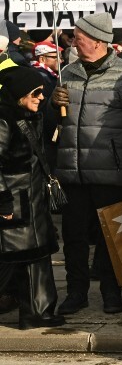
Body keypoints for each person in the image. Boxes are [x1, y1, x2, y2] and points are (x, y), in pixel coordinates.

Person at [49, 12, 122, 315]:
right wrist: (54, 105)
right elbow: (52, 124)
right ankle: (76, 292)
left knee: (109, 238)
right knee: (74, 236)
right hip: (72, 171)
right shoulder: (67, 73)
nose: (73, 41)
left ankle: (111, 292)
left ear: (99, 41)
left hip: (109, 172)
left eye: (79, 37)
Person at [0, 65, 64, 329]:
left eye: (42, 92)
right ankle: (35, 311)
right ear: (19, 94)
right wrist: (2, 200)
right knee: (12, 261)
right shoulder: (4, 119)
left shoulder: (28, 115)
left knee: (36, 259)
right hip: (14, 202)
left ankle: (39, 312)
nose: (41, 97)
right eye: (36, 92)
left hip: (31, 200)